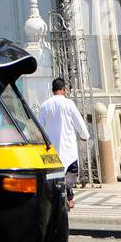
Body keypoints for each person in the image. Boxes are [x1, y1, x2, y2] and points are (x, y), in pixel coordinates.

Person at [37, 78, 89, 211]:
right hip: (68, 148)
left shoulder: (45, 105)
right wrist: (84, 136)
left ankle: (55, 198)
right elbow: (79, 121)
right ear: (64, 89)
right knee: (70, 176)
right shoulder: (68, 104)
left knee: (54, 176)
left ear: (53, 90)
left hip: (52, 149)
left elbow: (39, 128)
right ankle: (69, 198)